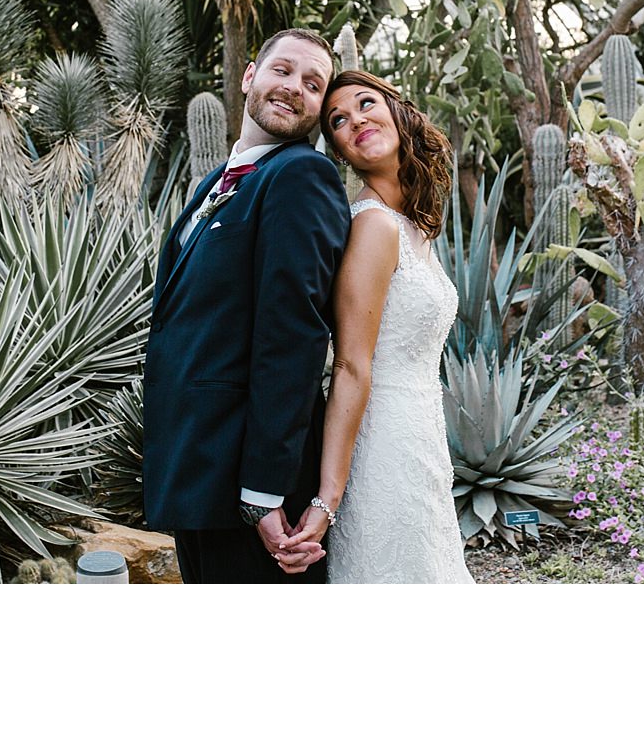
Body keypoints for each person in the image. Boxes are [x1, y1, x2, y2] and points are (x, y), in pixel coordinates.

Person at [142, 29, 350, 583]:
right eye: (283, 70)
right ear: (249, 76)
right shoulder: (219, 180)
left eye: (313, 84)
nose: (295, 87)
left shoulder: (301, 176)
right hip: (196, 465)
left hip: (248, 482)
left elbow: (292, 337)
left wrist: (264, 491)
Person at [284, 69, 474, 583]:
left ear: (397, 111)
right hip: (382, 447)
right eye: (338, 120)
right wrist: (327, 499)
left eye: (366, 103)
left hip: (421, 439)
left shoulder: (411, 224)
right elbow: (349, 365)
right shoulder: (373, 225)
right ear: (340, 152)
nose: (355, 120)